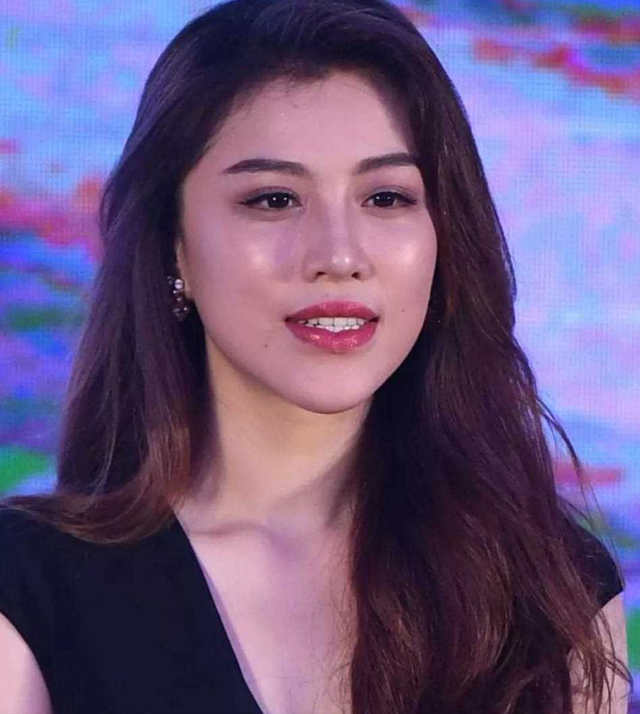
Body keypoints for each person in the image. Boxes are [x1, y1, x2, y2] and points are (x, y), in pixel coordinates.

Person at [0, 0, 632, 712]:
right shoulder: (30, 586)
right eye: (274, 200)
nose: (338, 253)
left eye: (386, 197)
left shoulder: (554, 591)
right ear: (172, 245)